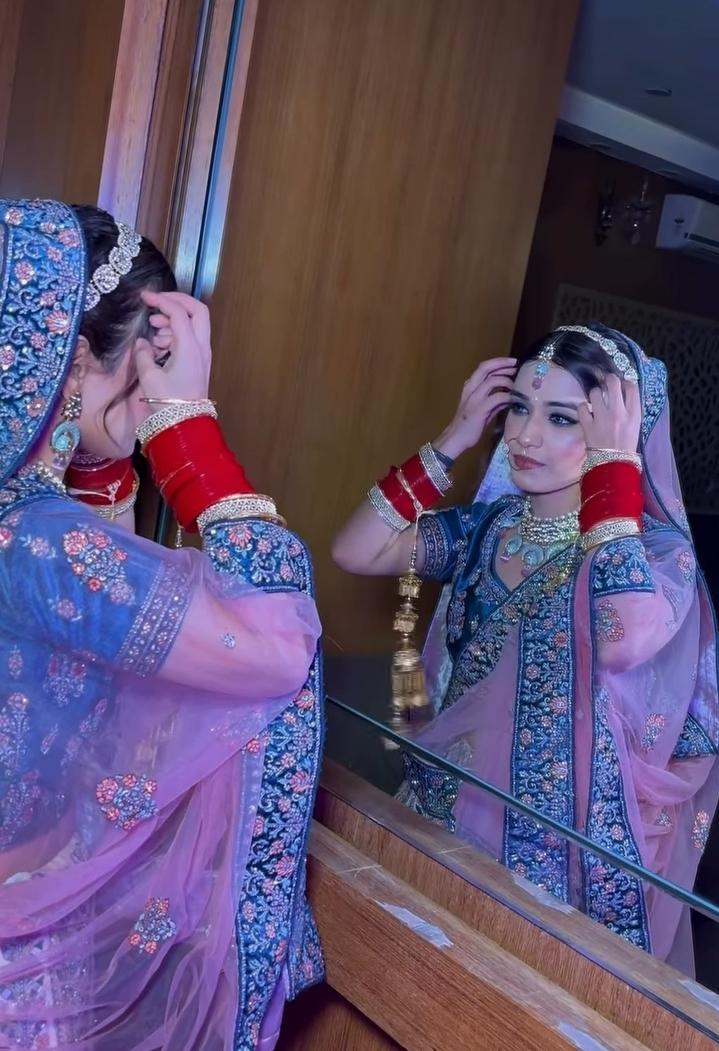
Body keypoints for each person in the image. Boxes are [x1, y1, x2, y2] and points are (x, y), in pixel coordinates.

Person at [0, 199, 324, 1050]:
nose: (154, 396)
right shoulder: (37, 541)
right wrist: (188, 435)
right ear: (74, 359)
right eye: (150, 370)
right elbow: (275, 646)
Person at [333, 324, 719, 969]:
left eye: (561, 417)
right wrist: (452, 439)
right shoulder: (489, 529)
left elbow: (620, 639)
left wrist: (614, 472)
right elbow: (356, 549)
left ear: (618, 432)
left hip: (560, 853)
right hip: (445, 812)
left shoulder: (656, 555)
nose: (524, 435)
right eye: (518, 408)